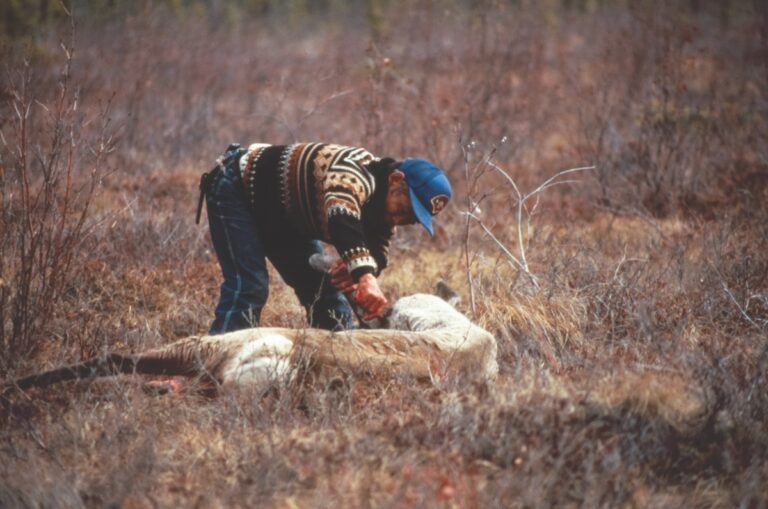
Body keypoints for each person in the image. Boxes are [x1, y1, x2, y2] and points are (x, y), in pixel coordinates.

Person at [197, 142, 452, 334]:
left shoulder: (384, 212)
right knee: (249, 287)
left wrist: (357, 273)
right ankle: (209, 371)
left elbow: (377, 253)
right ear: (396, 180)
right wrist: (364, 274)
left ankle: (333, 365)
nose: (399, 220)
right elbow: (341, 211)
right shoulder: (356, 170)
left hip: (284, 216)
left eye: (412, 220)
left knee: (325, 292)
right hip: (236, 188)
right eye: (405, 210)